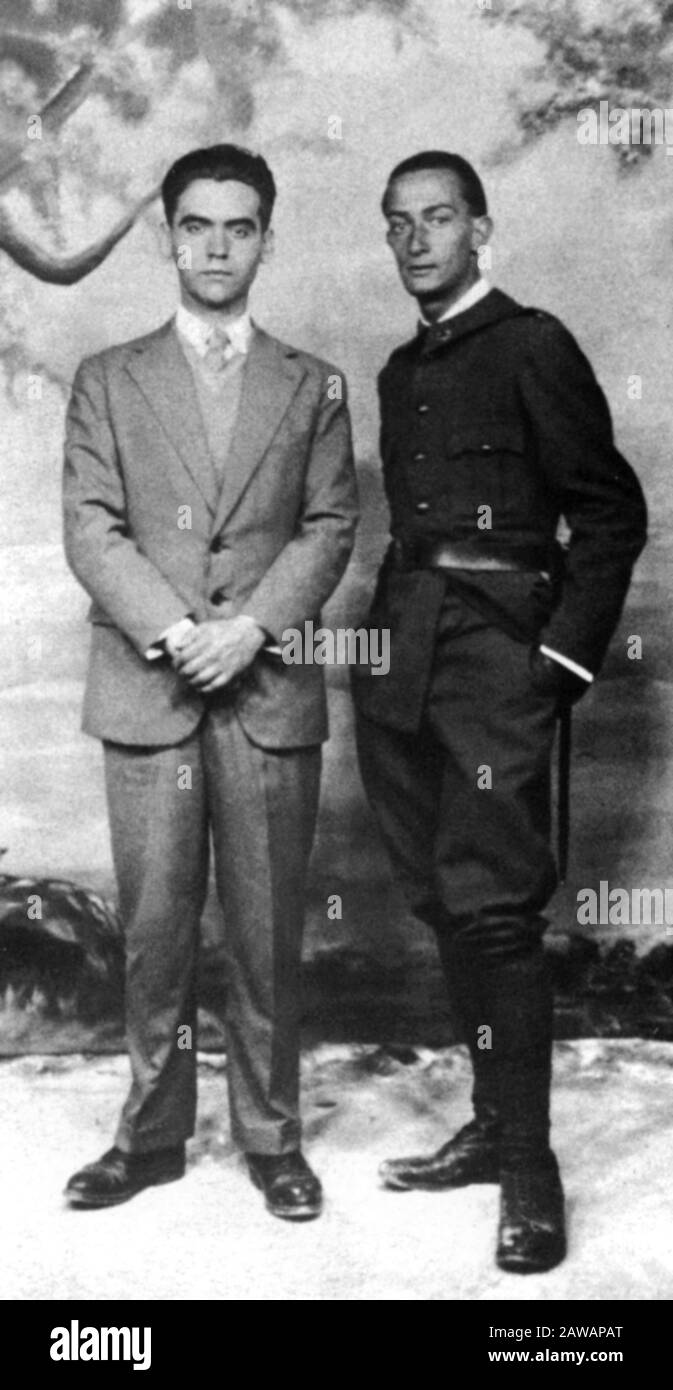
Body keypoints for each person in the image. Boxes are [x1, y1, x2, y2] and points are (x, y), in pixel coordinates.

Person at [352, 150, 646, 1272]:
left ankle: (530, 1166)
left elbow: (609, 516)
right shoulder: (394, 368)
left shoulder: (534, 345)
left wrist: (560, 662)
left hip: (499, 661)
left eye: (437, 218)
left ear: (480, 229)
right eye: (397, 224)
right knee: (439, 897)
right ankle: (489, 1121)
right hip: (404, 659)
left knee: (494, 910)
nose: (416, 239)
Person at [62, 144, 358, 1220]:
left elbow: (332, 525)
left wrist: (253, 630)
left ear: (267, 241)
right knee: (153, 928)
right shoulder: (107, 378)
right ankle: (148, 1138)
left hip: (267, 690)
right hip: (150, 688)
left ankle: (272, 1140)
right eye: (198, 225)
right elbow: (91, 531)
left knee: (269, 926)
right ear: (168, 236)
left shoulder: (315, 384)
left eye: (240, 227)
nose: (218, 245)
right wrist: (183, 629)